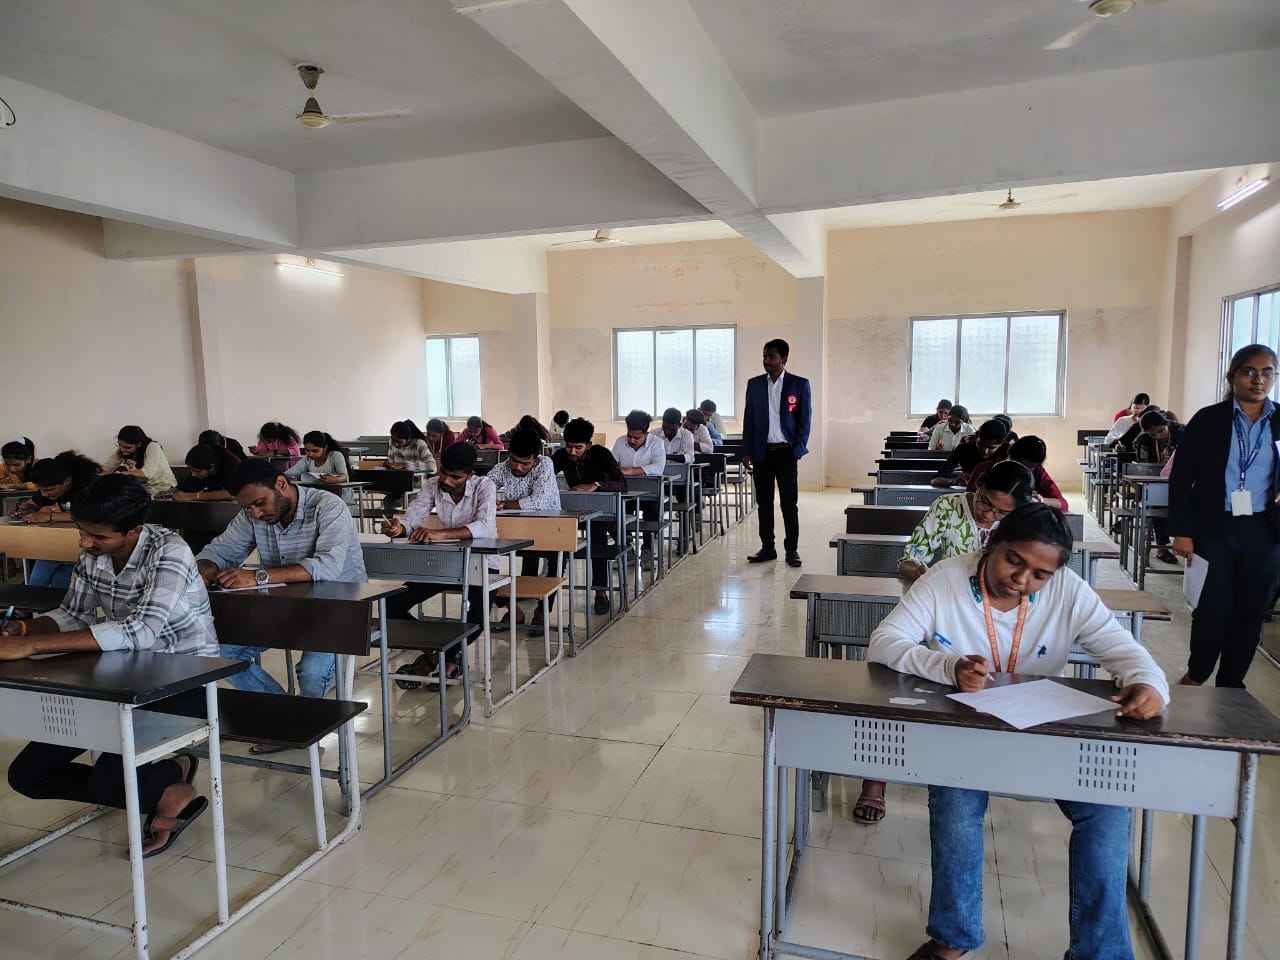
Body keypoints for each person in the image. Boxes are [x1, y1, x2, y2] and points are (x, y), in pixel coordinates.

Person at [870, 503, 1168, 960]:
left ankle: (1100, 952)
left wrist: (1149, 685)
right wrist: (947, 666)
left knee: (1107, 806)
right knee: (954, 801)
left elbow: (1126, 653)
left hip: (1043, 731)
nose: (1022, 580)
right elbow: (884, 643)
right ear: (991, 543)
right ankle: (953, 937)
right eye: (1014, 561)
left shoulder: (1069, 591)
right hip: (968, 731)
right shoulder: (946, 580)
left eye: (1039, 574)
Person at [2, 474, 218, 858]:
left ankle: (168, 784)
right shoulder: (95, 550)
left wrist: (30, 645)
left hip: (184, 677)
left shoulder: (169, 551)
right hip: (122, 676)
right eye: (82, 532)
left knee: (108, 784)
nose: (85, 543)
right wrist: (21, 629)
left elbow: (141, 631)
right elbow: (74, 614)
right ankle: (162, 782)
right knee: (28, 776)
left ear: (133, 531)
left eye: (97, 536)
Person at [837, 462, 1041, 828]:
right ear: (977, 486)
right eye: (985, 503)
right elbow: (911, 556)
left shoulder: (1025, 523)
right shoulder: (948, 508)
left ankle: (981, 765)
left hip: (996, 626)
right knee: (892, 674)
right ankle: (876, 775)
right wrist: (921, 573)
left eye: (1001, 513)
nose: (989, 515)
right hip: (941, 618)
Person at [196, 458, 367, 726]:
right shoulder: (252, 515)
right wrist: (206, 566)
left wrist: (257, 576)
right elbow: (221, 550)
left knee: (311, 673)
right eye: (248, 507)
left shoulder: (328, 506)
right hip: (283, 608)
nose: (255, 513)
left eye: (259, 503)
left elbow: (327, 566)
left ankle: (297, 722)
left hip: (337, 610)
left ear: (281, 484)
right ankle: (285, 714)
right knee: (217, 655)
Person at [1169, 344, 1280, 688]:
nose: (1258, 380)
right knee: (1211, 607)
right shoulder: (1209, 420)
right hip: (1214, 528)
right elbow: (1181, 477)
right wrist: (1182, 530)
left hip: (1265, 530)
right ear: (1232, 376)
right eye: (1249, 372)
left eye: (1267, 372)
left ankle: (1232, 685)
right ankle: (1197, 673)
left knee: (1252, 611)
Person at [381, 442, 497, 685]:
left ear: (470, 474)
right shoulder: (433, 484)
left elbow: (485, 527)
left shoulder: (484, 486)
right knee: (391, 605)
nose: (446, 480)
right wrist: (399, 527)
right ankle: (441, 655)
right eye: (443, 472)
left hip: (482, 563)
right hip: (447, 563)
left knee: (476, 620)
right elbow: (413, 516)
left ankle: (435, 660)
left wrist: (439, 534)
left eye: (455, 477)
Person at [742, 338, 812, 567]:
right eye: (764, 356)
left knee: (789, 504)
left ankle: (791, 550)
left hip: (786, 453)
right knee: (764, 503)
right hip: (762, 454)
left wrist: (797, 451)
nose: (766, 361)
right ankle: (768, 548)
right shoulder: (755, 384)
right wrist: (747, 450)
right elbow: (749, 419)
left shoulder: (799, 384)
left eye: (771, 356)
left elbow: (805, 421)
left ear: (784, 359)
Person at [487, 429, 562, 634]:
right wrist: (488, 499)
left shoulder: (545, 464)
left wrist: (503, 504)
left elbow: (537, 501)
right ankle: (513, 610)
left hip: (549, 528)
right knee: (486, 560)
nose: (518, 467)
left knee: (557, 562)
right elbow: (484, 488)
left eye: (525, 463)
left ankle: (542, 611)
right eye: (513, 460)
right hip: (517, 529)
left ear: (535, 459)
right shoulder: (503, 467)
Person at [552, 418, 627, 615]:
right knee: (554, 541)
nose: (572, 452)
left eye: (578, 447)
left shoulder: (601, 454)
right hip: (573, 510)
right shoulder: (561, 456)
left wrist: (597, 485)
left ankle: (600, 592)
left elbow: (622, 484)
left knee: (597, 539)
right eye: (569, 446)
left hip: (600, 511)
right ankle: (548, 591)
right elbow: (545, 476)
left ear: (589, 445)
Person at [17, 452, 104, 588]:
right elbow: (32, 503)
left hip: (89, 545)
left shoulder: (89, 486)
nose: (44, 494)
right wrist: (24, 509)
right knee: (47, 574)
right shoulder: (51, 486)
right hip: (66, 542)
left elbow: (89, 515)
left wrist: (49, 516)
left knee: (49, 571)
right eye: (41, 490)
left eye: (49, 490)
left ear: (66, 482)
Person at [613, 411, 666, 569]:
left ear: (646, 434)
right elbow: (612, 466)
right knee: (613, 513)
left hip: (649, 493)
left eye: (637, 438)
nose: (631, 440)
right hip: (626, 492)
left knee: (653, 514)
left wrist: (630, 470)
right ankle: (627, 547)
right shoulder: (620, 442)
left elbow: (658, 468)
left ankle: (647, 549)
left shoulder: (656, 443)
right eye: (629, 436)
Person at [966, 435, 1069, 511]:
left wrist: (1039, 500)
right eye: (1020, 465)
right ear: (1010, 457)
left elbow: (1063, 504)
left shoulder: (1037, 472)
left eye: (1030, 469)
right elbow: (968, 499)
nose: (1022, 472)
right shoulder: (984, 469)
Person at [931, 420, 1009, 488]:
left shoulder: (1008, 452)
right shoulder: (963, 449)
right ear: (976, 438)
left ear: (1001, 444)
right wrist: (954, 481)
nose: (985, 451)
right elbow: (935, 480)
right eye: (981, 445)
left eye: (991, 448)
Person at [102, 425, 176, 497]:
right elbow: (104, 469)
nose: (122, 449)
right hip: (142, 488)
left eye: (127, 447)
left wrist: (121, 475)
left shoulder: (153, 446)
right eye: (119, 445)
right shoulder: (122, 451)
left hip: (164, 488)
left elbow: (147, 472)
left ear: (139, 444)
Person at [284, 431, 352, 504]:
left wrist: (336, 479)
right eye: (307, 450)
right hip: (322, 498)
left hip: (341, 498)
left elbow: (344, 477)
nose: (310, 454)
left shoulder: (335, 456)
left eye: (315, 451)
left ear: (325, 447)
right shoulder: (308, 459)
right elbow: (291, 472)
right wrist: (279, 475)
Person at [174, 443, 240, 502]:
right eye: (191, 470)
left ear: (211, 468)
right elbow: (192, 483)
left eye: (197, 471)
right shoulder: (203, 463)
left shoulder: (232, 467)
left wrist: (192, 496)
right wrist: (174, 490)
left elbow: (230, 494)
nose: (193, 474)